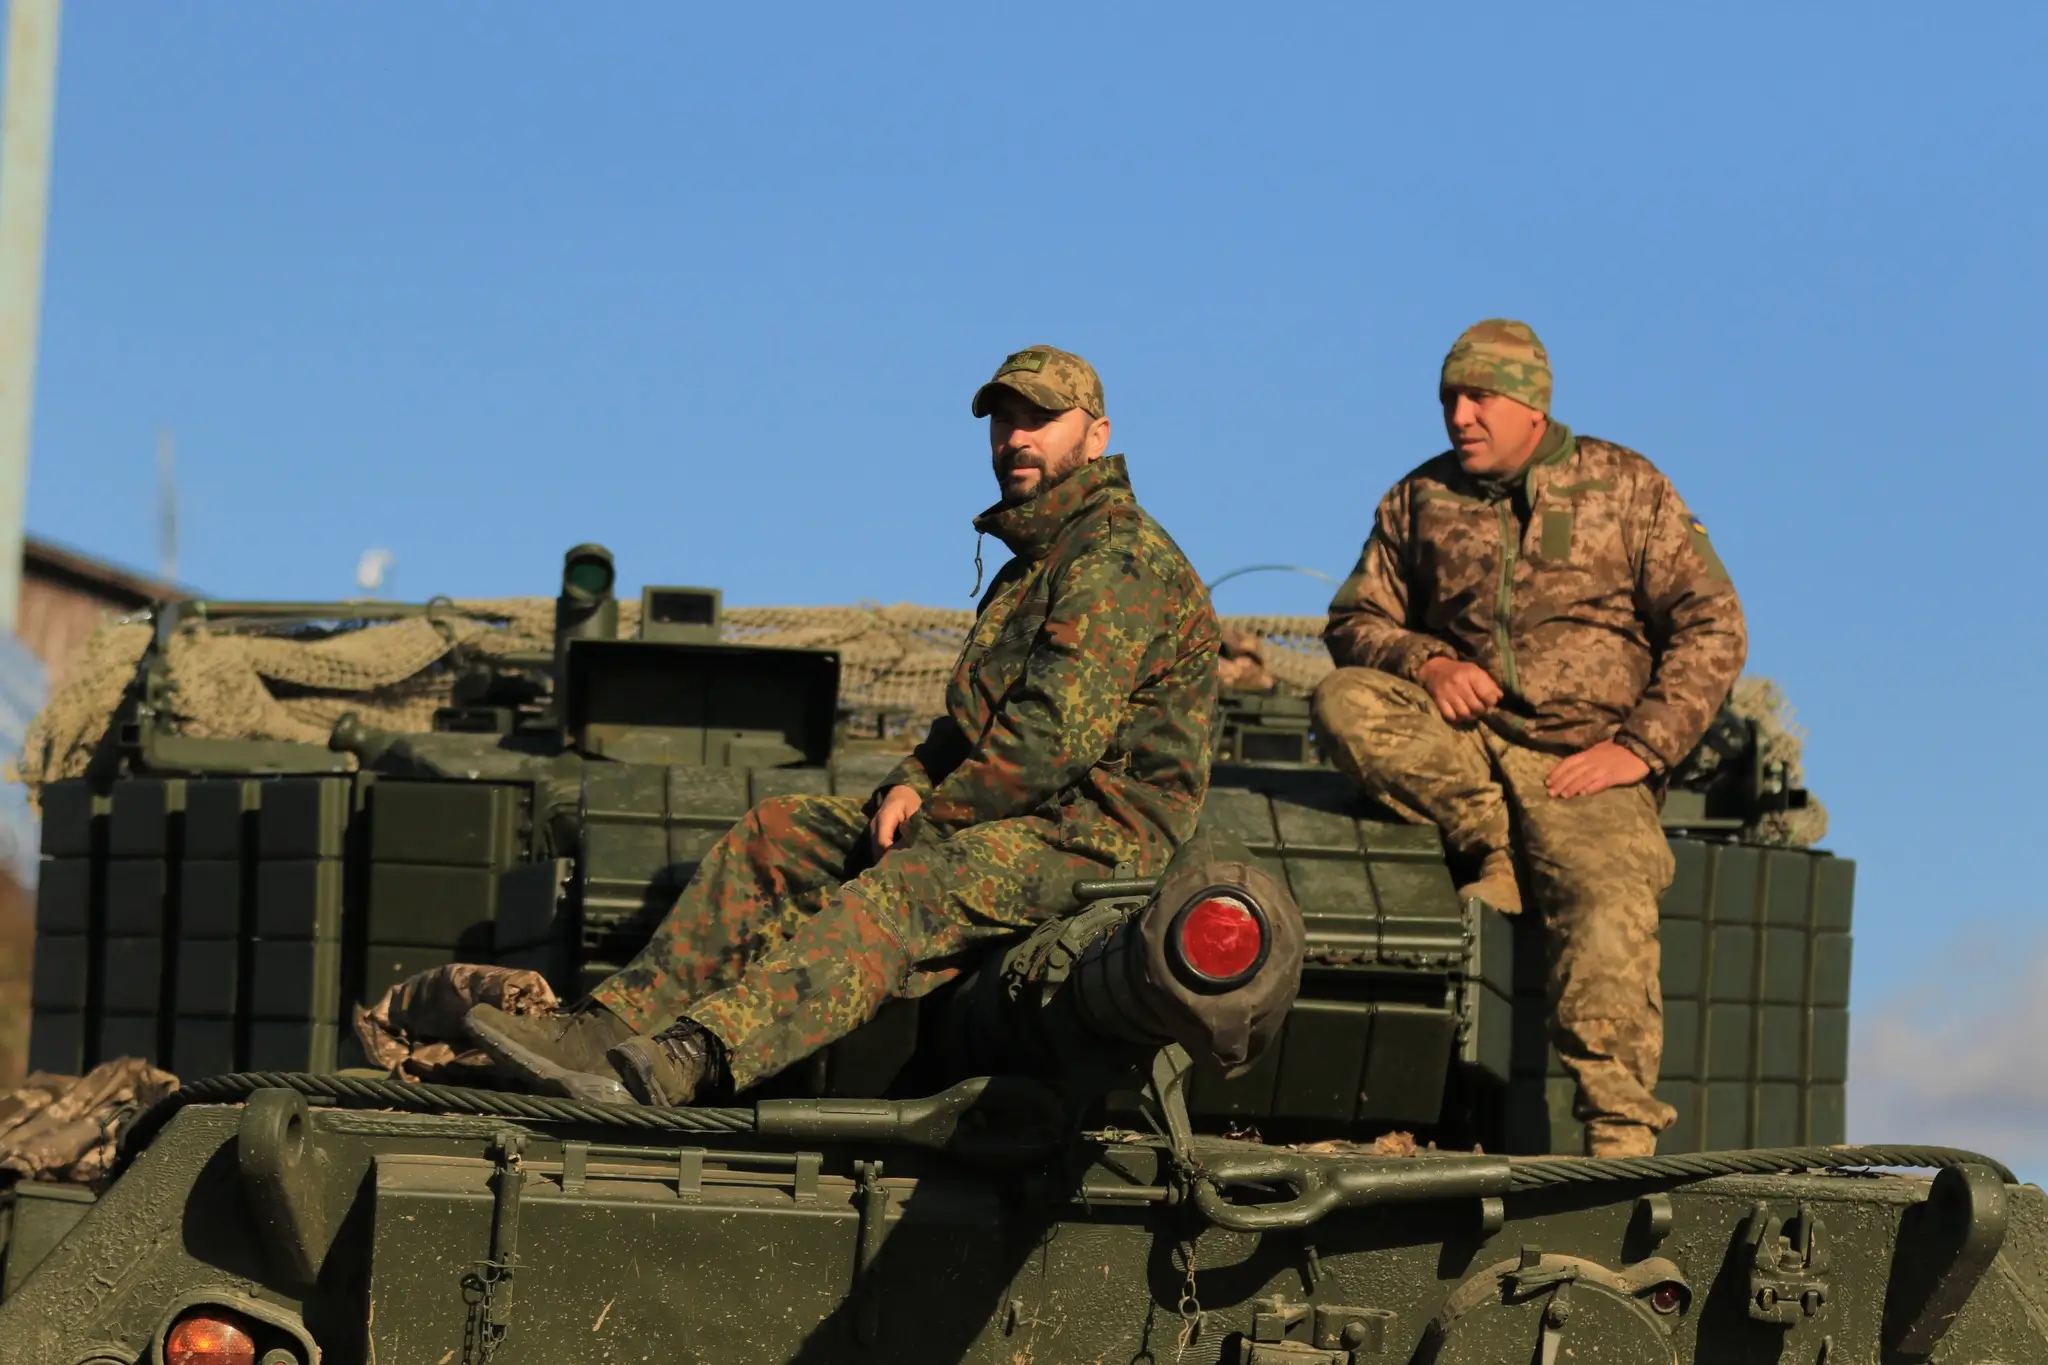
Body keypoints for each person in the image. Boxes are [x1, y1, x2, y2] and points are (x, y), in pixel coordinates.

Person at [469, 345, 1222, 1105]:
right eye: (1003, 421)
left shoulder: (1118, 558)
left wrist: (933, 821)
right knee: (778, 836)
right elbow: (970, 727)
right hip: (1015, 817)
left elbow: (1050, 741)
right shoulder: (1034, 561)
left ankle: (694, 1054)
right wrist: (909, 784)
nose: (1017, 438)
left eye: (1041, 420)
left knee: (903, 888)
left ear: (1096, 436)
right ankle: (601, 1032)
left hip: (1099, 839)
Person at [1314, 319, 1746, 1157]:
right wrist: (1427, 659)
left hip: (1583, 758)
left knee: (1608, 902)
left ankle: (1619, 1133)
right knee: (1344, 703)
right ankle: (1495, 841)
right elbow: (1354, 618)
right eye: (1450, 399)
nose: (1460, 416)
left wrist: (1643, 748)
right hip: (1467, 741)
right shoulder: (1419, 499)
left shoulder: (1627, 487)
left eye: (1480, 397)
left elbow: (1714, 625)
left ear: (1532, 407)